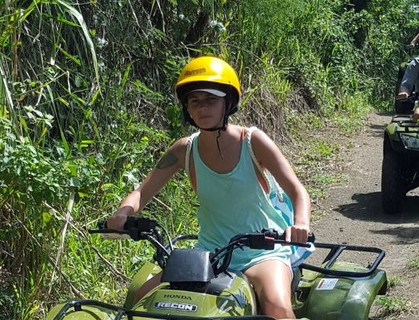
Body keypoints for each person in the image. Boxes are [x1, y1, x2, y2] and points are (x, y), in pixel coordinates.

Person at [107, 56, 311, 319]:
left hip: (263, 252)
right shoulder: (184, 150)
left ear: (228, 102)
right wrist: (123, 213)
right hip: (210, 254)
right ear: (187, 108)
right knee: (141, 300)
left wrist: (301, 224)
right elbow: (142, 192)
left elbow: (297, 191)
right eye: (195, 101)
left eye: (211, 100)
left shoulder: (253, 142)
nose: (203, 108)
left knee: (277, 308)